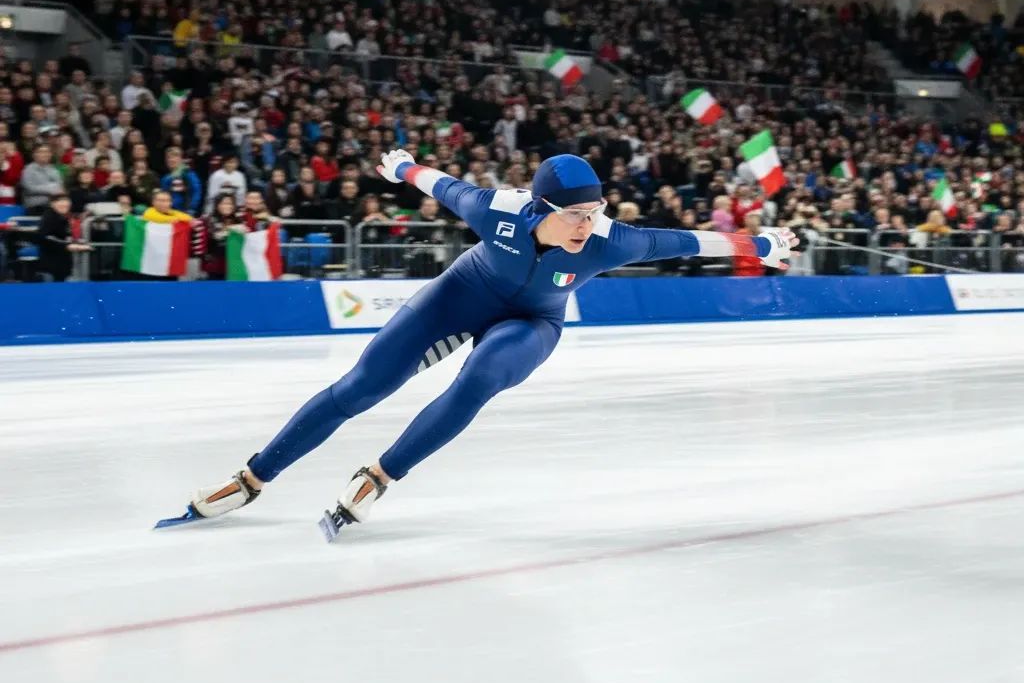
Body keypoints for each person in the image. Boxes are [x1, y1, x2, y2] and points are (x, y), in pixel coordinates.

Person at [174, 153, 796, 538]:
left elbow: (688, 242)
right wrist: (401, 166)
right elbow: (440, 184)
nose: (590, 224)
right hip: (461, 293)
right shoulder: (496, 210)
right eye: (577, 214)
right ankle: (253, 477)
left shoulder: (613, 240)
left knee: (479, 378)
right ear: (540, 209)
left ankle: (380, 475)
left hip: (531, 323)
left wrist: (761, 247)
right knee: (362, 385)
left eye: (597, 210)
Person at [35, 194, 91, 282]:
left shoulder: (65, 218)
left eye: (66, 202)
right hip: (51, 265)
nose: (64, 204)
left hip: (62, 264)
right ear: (52, 204)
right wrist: (68, 245)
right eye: (60, 202)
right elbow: (43, 237)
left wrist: (76, 243)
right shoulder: (49, 217)